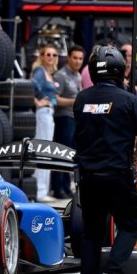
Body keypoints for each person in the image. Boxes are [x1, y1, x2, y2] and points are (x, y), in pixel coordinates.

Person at [74, 45, 137, 274]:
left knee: (92, 232)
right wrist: (135, 160)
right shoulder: (128, 99)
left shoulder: (81, 98)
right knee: (132, 224)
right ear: (119, 69)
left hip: (88, 175)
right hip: (117, 173)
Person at [51, 44, 84, 199]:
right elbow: (55, 99)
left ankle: (65, 185)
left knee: (70, 155)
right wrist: (74, 101)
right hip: (63, 118)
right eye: (75, 58)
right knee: (60, 153)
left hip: (74, 119)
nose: (78, 61)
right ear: (69, 58)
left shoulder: (78, 76)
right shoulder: (61, 75)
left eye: (80, 58)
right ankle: (57, 187)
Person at [31, 44, 60, 203]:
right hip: (43, 113)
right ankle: (40, 191)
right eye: (48, 54)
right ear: (42, 56)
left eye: (54, 55)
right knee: (43, 150)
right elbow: (30, 87)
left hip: (49, 113)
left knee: (46, 151)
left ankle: (42, 189)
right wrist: (37, 102)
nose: (51, 57)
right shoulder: (40, 72)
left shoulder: (49, 73)